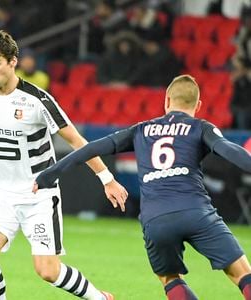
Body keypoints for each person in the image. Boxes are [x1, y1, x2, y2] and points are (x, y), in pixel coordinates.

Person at [34, 75, 251, 300]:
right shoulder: (201, 127)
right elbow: (228, 149)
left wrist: (49, 175)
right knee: (241, 273)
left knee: (170, 279)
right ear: (198, 105)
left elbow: (89, 149)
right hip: (196, 211)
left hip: (156, 220)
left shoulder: (141, 130)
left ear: (167, 101)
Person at [0, 29, 128, 300]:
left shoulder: (37, 100)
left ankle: (100, 298)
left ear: (13, 62)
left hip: (38, 194)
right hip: (1, 191)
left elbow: (77, 141)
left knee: (47, 271)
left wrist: (107, 178)